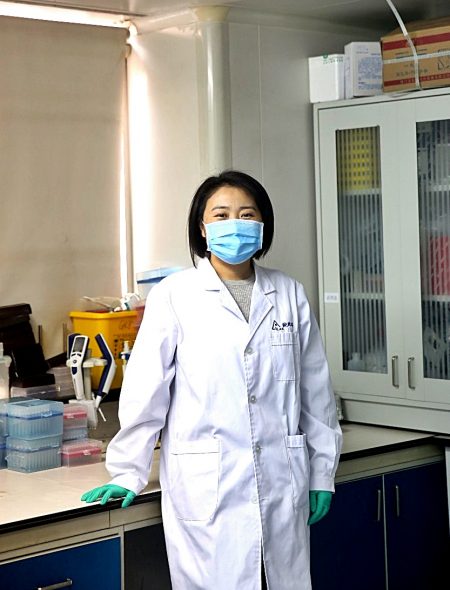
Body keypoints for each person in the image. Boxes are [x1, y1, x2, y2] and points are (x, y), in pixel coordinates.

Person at [81, 170, 342, 590]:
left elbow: (315, 393)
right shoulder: (174, 295)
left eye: (246, 214)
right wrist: (127, 471)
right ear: (202, 229)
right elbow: (147, 392)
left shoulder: (289, 293)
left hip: (282, 485)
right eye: (220, 215)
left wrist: (322, 472)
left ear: (263, 224)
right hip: (208, 493)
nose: (234, 224)